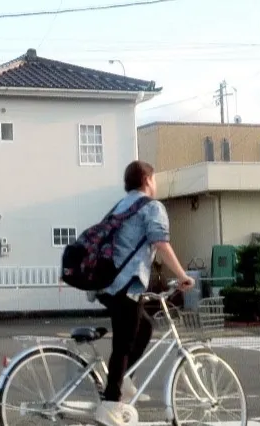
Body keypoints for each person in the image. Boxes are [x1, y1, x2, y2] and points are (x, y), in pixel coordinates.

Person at [93, 160, 195, 426]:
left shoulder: (120, 206)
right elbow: (160, 242)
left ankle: (124, 378)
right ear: (148, 179)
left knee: (145, 327)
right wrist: (182, 276)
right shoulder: (151, 207)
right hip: (126, 286)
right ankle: (110, 404)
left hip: (106, 285)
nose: (156, 184)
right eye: (155, 179)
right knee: (123, 344)